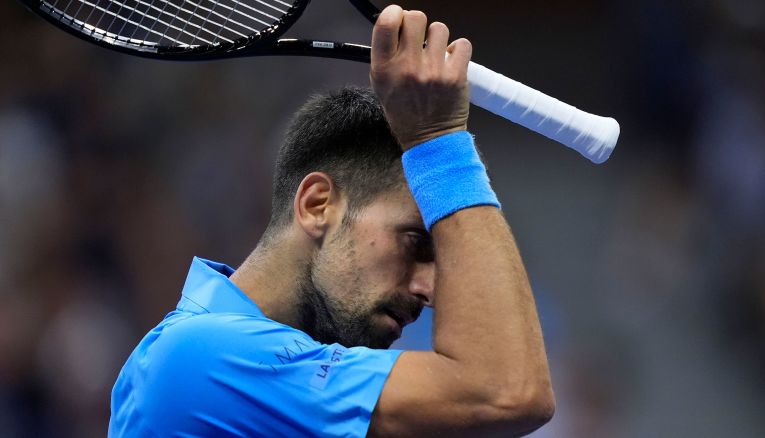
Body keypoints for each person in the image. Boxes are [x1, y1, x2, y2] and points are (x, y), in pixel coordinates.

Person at [109, 5, 554, 437]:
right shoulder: (203, 357)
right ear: (318, 205)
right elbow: (506, 392)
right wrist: (436, 139)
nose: (431, 291)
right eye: (416, 242)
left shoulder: (270, 382)